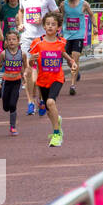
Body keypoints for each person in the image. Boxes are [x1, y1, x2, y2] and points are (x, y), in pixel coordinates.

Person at [28, 11, 76, 147]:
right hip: (42, 80)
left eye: (53, 24)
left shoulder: (61, 42)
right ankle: (57, 121)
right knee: (50, 111)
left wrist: (73, 62)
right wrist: (31, 60)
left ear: (58, 27)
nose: (50, 26)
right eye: (47, 24)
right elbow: (31, 64)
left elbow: (64, 54)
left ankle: (56, 134)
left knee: (50, 102)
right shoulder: (38, 43)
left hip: (57, 78)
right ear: (43, 26)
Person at [17, 0, 58, 115]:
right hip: (27, 37)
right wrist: (21, 23)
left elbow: (57, 14)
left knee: (39, 72)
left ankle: (40, 99)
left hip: (42, 39)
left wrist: (45, 19)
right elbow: (21, 11)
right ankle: (30, 101)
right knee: (28, 71)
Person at [60, 0, 94, 95]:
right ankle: (76, 71)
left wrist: (95, 25)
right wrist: (58, 28)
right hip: (67, 35)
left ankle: (72, 85)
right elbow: (61, 17)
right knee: (70, 60)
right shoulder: (63, 4)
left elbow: (91, 15)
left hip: (78, 35)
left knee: (75, 57)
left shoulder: (84, 4)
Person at [0, 30, 26, 136]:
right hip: (6, 81)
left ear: (18, 41)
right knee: (6, 107)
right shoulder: (3, 54)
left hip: (17, 81)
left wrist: (25, 78)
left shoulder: (22, 54)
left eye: (14, 39)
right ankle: (0, 90)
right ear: (6, 42)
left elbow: (24, 67)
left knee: (13, 104)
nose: (11, 41)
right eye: (9, 40)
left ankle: (13, 127)